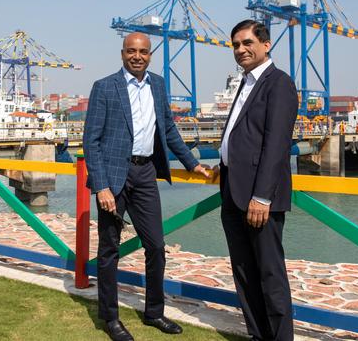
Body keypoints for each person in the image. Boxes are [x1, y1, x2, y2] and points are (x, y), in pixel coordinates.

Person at [83, 32, 209, 341]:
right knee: (109, 249)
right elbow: (91, 141)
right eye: (131, 51)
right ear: (122, 53)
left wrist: (191, 163)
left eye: (143, 52)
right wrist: (101, 187)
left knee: (155, 246)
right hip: (113, 177)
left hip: (145, 174)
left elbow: (167, 128)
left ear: (150, 55)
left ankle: (154, 313)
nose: (137, 56)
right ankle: (110, 319)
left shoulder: (158, 84)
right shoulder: (104, 87)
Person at [216, 20, 298, 340]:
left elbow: (276, 144)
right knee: (244, 273)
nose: (240, 50)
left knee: (269, 274)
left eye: (247, 43)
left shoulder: (278, 83)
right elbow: (242, 135)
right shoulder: (246, 82)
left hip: (258, 198)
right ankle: (257, 335)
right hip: (233, 192)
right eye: (235, 45)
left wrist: (262, 196)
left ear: (266, 44)